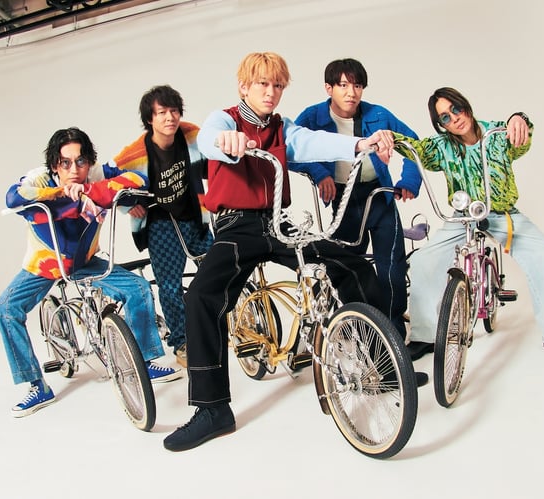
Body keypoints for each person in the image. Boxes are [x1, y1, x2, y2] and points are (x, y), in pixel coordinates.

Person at [162, 52, 402, 452]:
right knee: (201, 296)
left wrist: (360, 142)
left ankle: (384, 365)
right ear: (244, 87)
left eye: (277, 86)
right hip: (236, 225)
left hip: (278, 221)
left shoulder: (281, 127)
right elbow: (208, 139)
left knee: (350, 263)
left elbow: (309, 141)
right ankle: (212, 409)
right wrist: (225, 142)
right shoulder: (224, 120)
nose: (271, 92)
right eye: (263, 84)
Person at [0, 127, 181, 419]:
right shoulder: (39, 179)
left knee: (138, 289)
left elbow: (138, 180)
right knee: (5, 309)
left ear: (89, 162)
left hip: (85, 261)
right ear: (55, 165)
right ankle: (36, 385)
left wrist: (90, 192)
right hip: (45, 264)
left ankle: (144, 363)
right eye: (65, 162)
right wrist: (61, 194)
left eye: (81, 161)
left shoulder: (96, 176)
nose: (74, 169)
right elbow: (14, 197)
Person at [391, 87, 544, 354]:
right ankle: (425, 336)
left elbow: (521, 140)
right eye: (445, 117)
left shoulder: (497, 134)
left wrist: (520, 118)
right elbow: (416, 149)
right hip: (464, 217)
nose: (454, 118)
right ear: (441, 125)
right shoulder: (441, 147)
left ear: (466, 106)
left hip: (501, 214)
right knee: (423, 260)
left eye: (456, 109)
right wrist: (389, 138)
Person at [290, 58, 422, 343]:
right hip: (344, 201)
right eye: (343, 85)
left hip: (380, 196)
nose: (351, 93)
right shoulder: (313, 117)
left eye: (358, 86)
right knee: (344, 267)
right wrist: (319, 173)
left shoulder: (378, 114)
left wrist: (409, 182)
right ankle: (356, 329)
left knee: (392, 268)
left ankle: (393, 334)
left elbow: (414, 145)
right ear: (329, 88)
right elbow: (290, 150)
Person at [107, 85, 213, 368]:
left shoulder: (191, 135)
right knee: (169, 286)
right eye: (162, 112)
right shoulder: (134, 153)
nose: (170, 118)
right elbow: (106, 181)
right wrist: (129, 204)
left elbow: (216, 158)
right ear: (150, 119)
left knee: (216, 271)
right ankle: (182, 342)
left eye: (174, 111)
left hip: (195, 218)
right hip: (161, 225)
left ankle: (213, 327)